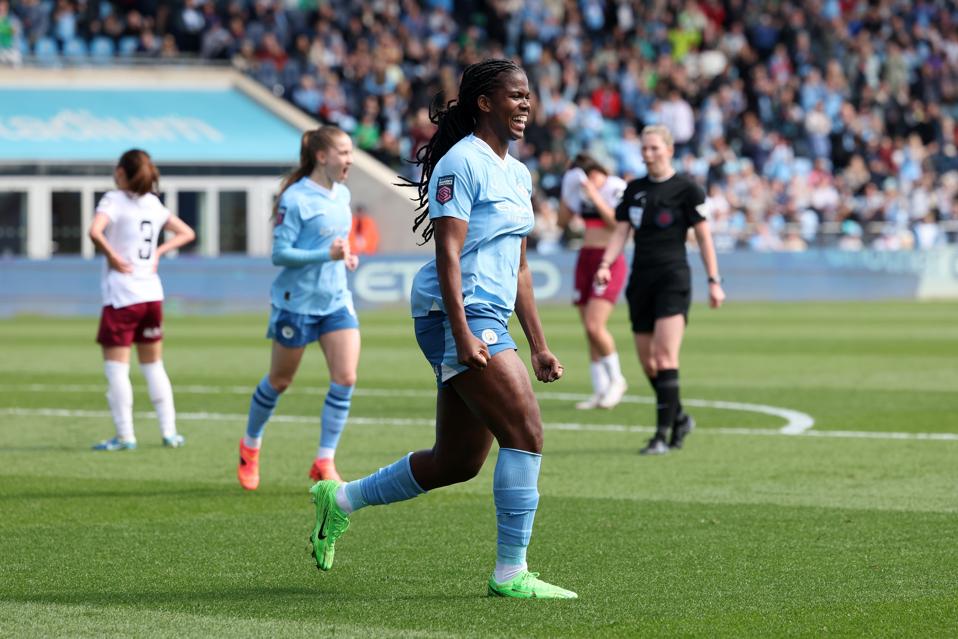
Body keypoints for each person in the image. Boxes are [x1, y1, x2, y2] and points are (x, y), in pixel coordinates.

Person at [307, 59, 577, 599]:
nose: (526, 104)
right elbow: (448, 252)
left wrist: (540, 345)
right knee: (525, 432)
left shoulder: (518, 173)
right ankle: (510, 573)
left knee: (457, 462)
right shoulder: (462, 163)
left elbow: (519, 265)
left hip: (486, 317)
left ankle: (338, 500)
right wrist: (462, 331)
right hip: (455, 315)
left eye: (529, 96)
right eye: (515, 96)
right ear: (485, 102)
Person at [237, 126, 360, 490]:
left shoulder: (343, 194)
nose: (350, 159)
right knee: (280, 381)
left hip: (335, 300)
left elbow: (339, 238)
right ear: (322, 156)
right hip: (297, 305)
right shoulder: (294, 198)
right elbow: (280, 254)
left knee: (346, 378)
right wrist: (327, 254)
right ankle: (250, 446)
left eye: (351, 152)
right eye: (343, 153)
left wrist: (345, 255)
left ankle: (324, 460)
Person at [595, 125, 726, 455]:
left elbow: (705, 238)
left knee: (665, 356)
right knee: (649, 364)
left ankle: (661, 435)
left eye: (654, 148)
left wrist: (714, 281)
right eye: (644, 148)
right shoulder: (634, 189)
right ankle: (680, 417)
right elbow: (621, 232)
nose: (647, 153)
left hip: (673, 279)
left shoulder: (688, 190)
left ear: (669, 150)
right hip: (640, 280)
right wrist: (606, 264)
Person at [88, 149, 196, 451]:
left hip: (122, 296)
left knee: (117, 369)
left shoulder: (114, 199)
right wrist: (160, 252)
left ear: (122, 172)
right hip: (152, 294)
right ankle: (169, 432)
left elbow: (94, 231)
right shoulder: (153, 203)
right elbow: (187, 232)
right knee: (153, 365)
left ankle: (125, 435)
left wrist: (112, 256)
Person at [558, 153, 629, 410]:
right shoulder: (578, 192)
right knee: (589, 331)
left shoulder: (615, 188)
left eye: (593, 176)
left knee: (594, 325)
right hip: (585, 256)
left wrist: (594, 194)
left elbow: (617, 223)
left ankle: (617, 380)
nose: (590, 181)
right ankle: (599, 389)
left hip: (608, 258)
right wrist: (568, 192)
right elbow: (561, 222)